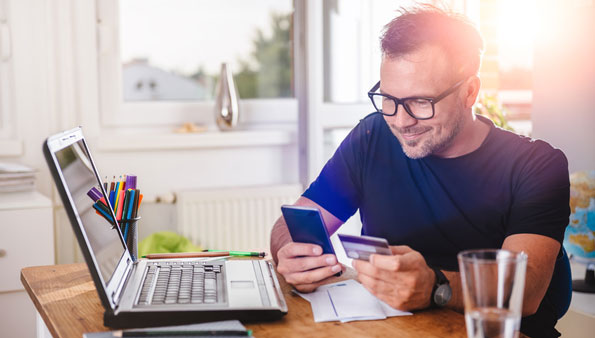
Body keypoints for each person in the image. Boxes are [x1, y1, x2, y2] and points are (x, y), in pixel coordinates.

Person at [270, 5, 571, 338]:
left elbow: (524, 291)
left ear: (470, 91)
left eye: (421, 102)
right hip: (395, 330)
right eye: (389, 99)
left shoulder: (538, 165)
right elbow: (292, 221)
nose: (401, 120)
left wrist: (435, 286)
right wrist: (289, 250)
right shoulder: (372, 137)